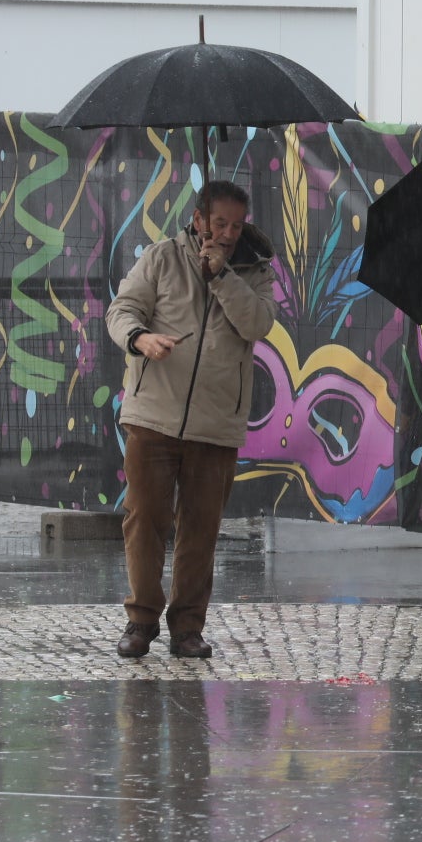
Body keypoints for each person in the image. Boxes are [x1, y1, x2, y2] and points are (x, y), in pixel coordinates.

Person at [104, 179, 277, 660]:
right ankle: (140, 621)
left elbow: (259, 324)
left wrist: (222, 276)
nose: (226, 233)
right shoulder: (161, 258)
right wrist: (140, 339)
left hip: (216, 422)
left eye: (236, 225)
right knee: (145, 521)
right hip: (152, 416)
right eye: (218, 222)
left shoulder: (256, 271)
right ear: (198, 219)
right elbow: (122, 310)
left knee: (201, 529)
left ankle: (187, 629)